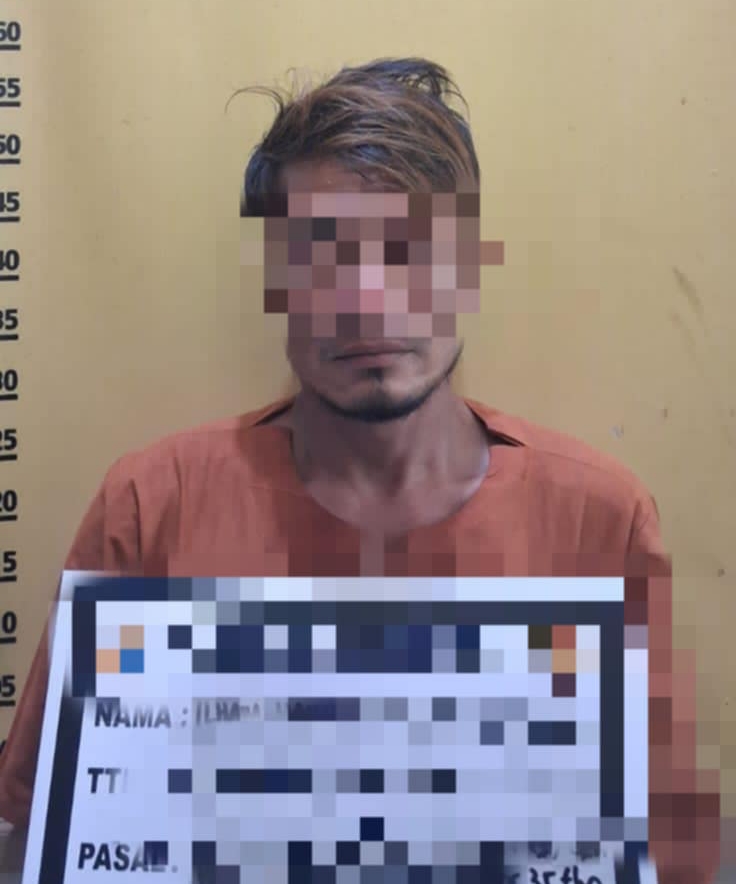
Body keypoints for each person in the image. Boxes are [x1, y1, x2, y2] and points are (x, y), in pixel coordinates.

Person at [0, 57, 720, 882]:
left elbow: (672, 855)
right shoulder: (153, 505)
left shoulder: (599, 520)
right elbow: (43, 835)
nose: (369, 301)